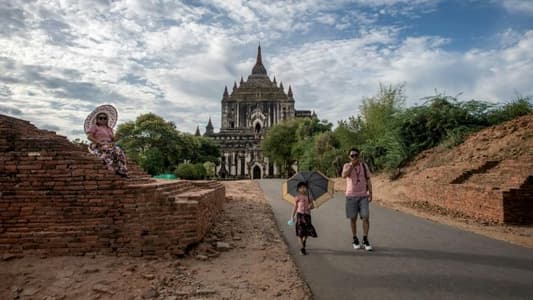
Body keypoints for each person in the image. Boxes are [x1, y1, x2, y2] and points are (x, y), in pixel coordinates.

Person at [342, 148, 373, 251]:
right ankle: (355, 238)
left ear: (359, 156)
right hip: (351, 196)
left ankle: (365, 239)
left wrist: (371, 193)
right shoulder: (347, 165)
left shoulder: (364, 166)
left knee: (365, 216)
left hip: (363, 196)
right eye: (352, 156)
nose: (354, 157)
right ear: (349, 157)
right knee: (353, 218)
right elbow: (344, 175)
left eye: (356, 155)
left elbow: (368, 179)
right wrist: (352, 165)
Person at [84, 104, 128, 177]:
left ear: (107, 119)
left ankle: (121, 170)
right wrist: (99, 142)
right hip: (98, 145)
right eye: (100, 118)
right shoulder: (95, 127)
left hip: (109, 145)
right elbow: (89, 137)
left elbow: (113, 140)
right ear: (97, 119)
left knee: (119, 152)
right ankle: (111, 169)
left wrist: (119, 137)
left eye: (105, 118)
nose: (103, 120)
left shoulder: (109, 129)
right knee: (109, 150)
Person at [290, 181, 318, 255]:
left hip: (307, 216)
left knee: (307, 232)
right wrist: (292, 216)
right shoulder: (297, 197)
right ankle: (302, 249)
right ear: (298, 189)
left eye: (304, 187)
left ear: (307, 188)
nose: (303, 189)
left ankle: (304, 241)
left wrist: (310, 206)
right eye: (301, 188)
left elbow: (312, 206)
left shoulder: (309, 197)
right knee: (299, 233)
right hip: (300, 216)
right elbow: (295, 207)